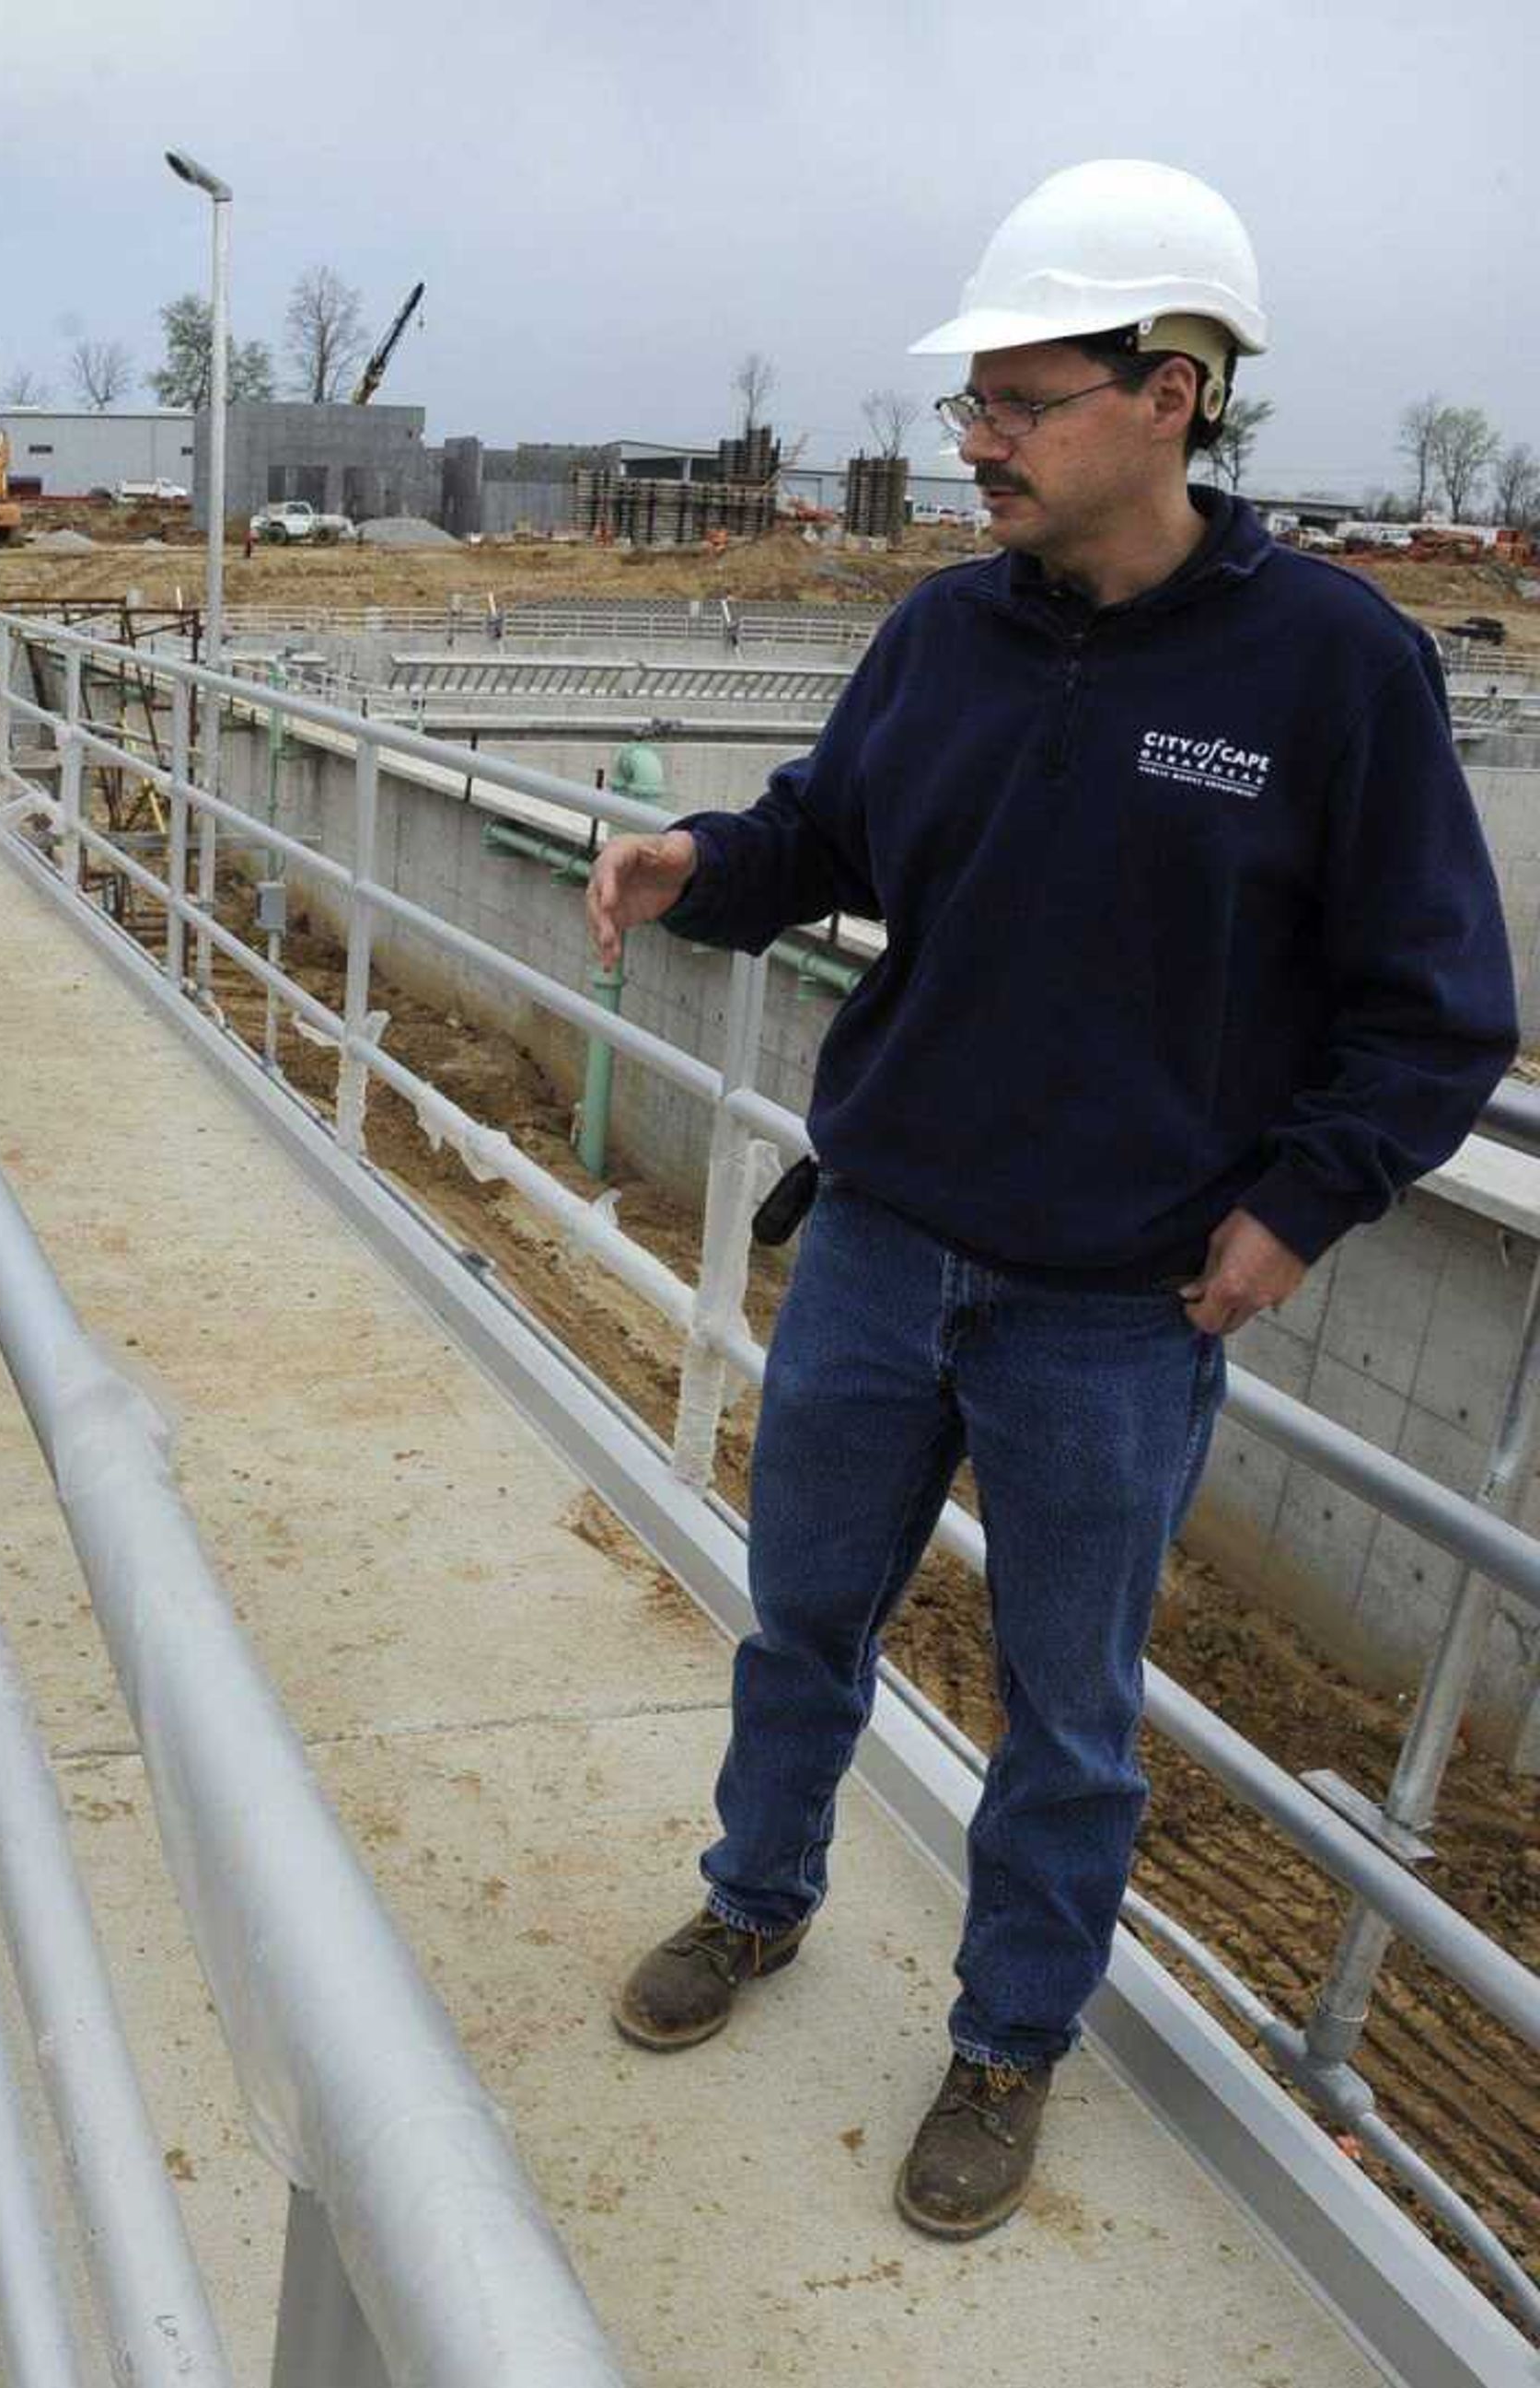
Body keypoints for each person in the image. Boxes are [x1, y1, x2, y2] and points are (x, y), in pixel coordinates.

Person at [583, 158, 1517, 2241]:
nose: (978, 439)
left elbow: (1440, 1010)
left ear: (1172, 392)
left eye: (1021, 396)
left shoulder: (1330, 672)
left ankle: (1007, 2039)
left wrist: (1298, 1205)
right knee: (803, 1617)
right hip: (884, 1239)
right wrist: (699, 866)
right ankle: (756, 1903)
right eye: (971, 403)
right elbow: (833, 827)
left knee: (1068, 1719)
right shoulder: (946, 634)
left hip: (1115, 1303)